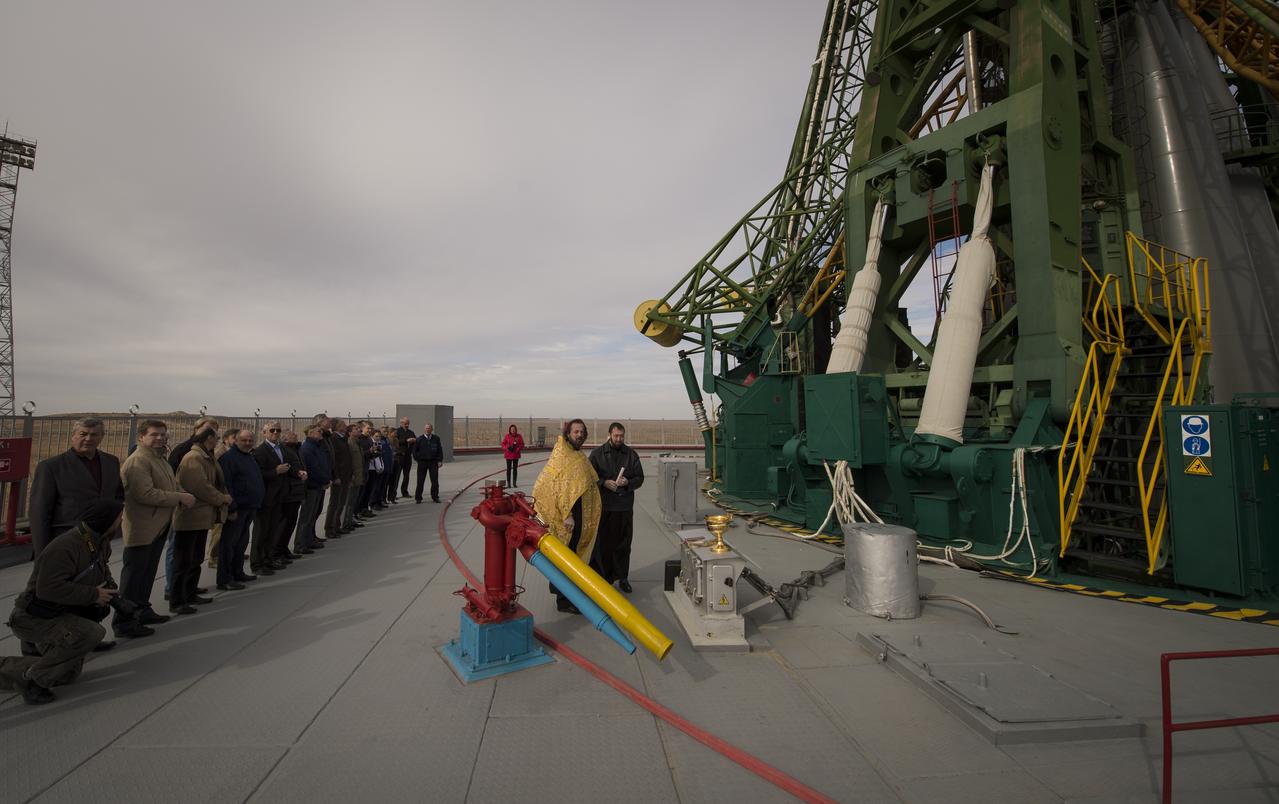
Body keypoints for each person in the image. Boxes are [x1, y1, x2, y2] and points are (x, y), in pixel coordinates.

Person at [4, 500, 123, 704]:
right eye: (119, 516)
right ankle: (31, 680)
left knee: (66, 675)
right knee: (91, 634)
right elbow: (48, 588)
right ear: (106, 520)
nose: (121, 520)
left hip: (57, 614)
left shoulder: (98, 542)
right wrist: (93, 595)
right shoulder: (66, 546)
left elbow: (101, 573)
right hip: (33, 616)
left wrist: (115, 598)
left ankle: (29, 667)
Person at [116, 419, 195, 637]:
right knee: (133, 576)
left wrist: (180, 493)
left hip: (158, 525)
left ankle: (141, 609)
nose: (160, 438)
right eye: (154, 434)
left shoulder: (159, 459)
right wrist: (179, 497)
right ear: (141, 437)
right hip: (142, 527)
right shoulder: (138, 461)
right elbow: (145, 494)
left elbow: (170, 483)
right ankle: (124, 621)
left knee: (147, 572)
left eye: (163, 434)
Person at [531, 420, 602, 613]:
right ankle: (564, 601)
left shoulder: (577, 454)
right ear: (568, 433)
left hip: (580, 514)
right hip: (567, 518)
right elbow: (556, 486)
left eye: (582, 431)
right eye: (576, 431)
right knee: (565, 559)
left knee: (575, 557)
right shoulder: (561, 454)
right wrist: (567, 515)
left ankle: (573, 595)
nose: (579, 434)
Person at [28, 418, 125, 558]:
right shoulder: (52, 467)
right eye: (83, 434)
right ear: (73, 435)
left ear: (101, 437)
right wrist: (42, 553)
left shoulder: (111, 462)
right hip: (66, 541)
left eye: (94, 435)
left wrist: (112, 525)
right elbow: (39, 512)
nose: (88, 438)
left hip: (100, 540)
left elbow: (118, 495)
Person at [172, 428, 231, 613]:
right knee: (184, 560)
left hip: (200, 516)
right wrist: (221, 498)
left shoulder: (206, 457)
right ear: (209, 438)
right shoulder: (193, 458)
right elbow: (200, 486)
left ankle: (189, 593)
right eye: (216, 438)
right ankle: (177, 599)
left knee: (195, 557)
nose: (218, 441)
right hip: (191, 516)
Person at [164, 416, 218, 599]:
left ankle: (188, 588)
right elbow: (193, 483)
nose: (211, 435)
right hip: (186, 509)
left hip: (201, 510)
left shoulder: (208, 453)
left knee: (194, 554)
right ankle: (173, 589)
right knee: (178, 552)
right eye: (207, 430)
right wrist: (221, 498)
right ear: (197, 430)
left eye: (214, 432)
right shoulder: (187, 452)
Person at [589, 423, 645, 594]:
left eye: (621, 436)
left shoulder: (631, 455)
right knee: (604, 544)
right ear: (609, 435)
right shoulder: (597, 454)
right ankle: (604, 579)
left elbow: (640, 478)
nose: (619, 439)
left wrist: (627, 482)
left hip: (624, 507)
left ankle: (623, 578)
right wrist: (604, 482)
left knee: (623, 544)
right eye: (616, 436)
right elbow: (589, 477)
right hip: (605, 507)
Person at [218, 428, 265, 589]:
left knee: (241, 542)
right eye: (244, 440)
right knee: (229, 544)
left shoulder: (249, 457)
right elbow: (226, 485)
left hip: (249, 506)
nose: (247, 443)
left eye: (250, 440)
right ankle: (225, 578)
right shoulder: (229, 459)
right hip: (237, 508)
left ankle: (237, 572)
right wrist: (231, 508)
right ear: (235, 441)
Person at [250, 422, 292, 575]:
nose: (275, 433)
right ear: (264, 433)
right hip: (266, 497)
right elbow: (258, 474)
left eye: (278, 430)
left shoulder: (280, 449)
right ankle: (257, 563)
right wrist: (275, 471)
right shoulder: (260, 451)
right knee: (261, 532)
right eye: (272, 430)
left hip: (278, 496)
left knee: (272, 531)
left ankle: (268, 559)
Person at [295, 423, 332, 554]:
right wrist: (325, 480)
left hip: (318, 485)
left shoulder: (317, 446)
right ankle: (300, 544)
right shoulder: (307, 448)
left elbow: (323, 464)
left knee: (312, 515)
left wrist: (327, 479)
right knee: (306, 517)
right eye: (318, 431)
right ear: (310, 433)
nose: (321, 433)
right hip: (311, 486)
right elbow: (313, 469)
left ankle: (309, 539)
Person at [274, 431, 308, 564]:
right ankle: (277, 551)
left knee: (291, 523)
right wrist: (297, 473)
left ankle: (284, 549)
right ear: (285, 439)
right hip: (288, 491)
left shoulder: (296, 449)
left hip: (297, 490)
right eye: (292, 435)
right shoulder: (284, 450)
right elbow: (287, 468)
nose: (295, 436)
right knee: (283, 523)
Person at [325, 418, 353, 539]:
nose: (345, 426)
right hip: (339, 476)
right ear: (336, 427)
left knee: (341, 502)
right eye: (342, 424)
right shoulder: (334, 439)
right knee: (335, 503)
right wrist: (335, 476)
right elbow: (334, 460)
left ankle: (336, 525)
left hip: (346, 475)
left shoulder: (343, 438)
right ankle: (330, 528)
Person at [342, 421, 367, 532]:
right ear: (350, 432)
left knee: (353, 501)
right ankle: (344, 523)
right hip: (352, 477)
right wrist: (350, 475)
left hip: (358, 475)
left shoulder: (357, 442)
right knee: (348, 502)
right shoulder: (349, 443)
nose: (359, 430)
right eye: (356, 429)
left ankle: (349, 521)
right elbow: (348, 461)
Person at [413, 422, 444, 503]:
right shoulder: (419, 439)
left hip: (433, 462)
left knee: (434, 481)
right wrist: (419, 459)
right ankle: (418, 498)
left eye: (429, 428)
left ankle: (435, 497)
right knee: (420, 481)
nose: (428, 430)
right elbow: (414, 452)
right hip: (422, 463)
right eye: (426, 428)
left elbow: (439, 450)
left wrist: (440, 460)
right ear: (424, 429)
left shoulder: (436, 438)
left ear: (432, 429)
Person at [393, 417, 416, 499]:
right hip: (399, 456)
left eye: (408, 424)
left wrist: (414, 440)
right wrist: (406, 441)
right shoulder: (397, 432)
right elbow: (396, 442)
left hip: (407, 457)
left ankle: (405, 492)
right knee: (397, 476)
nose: (407, 425)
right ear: (401, 423)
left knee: (406, 475)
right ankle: (393, 493)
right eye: (405, 423)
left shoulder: (411, 432)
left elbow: (414, 442)